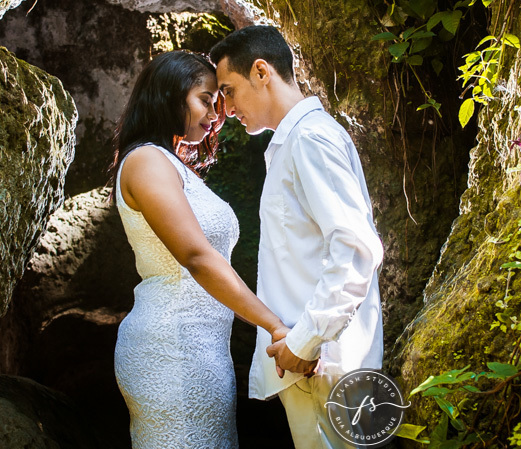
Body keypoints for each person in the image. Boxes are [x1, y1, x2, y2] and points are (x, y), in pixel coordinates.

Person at [211, 25, 385, 449]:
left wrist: (305, 340)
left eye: (229, 90)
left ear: (262, 72)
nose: (226, 108)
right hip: (315, 364)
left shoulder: (309, 138)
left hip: (324, 365)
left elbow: (356, 247)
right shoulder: (295, 141)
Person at [109, 49, 289, 449]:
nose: (215, 115)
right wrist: (274, 324)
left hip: (203, 351)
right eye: (205, 100)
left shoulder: (170, 164)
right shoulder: (146, 162)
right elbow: (196, 257)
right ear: (170, 95)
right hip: (171, 349)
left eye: (218, 103)